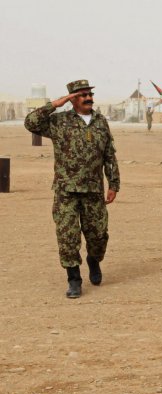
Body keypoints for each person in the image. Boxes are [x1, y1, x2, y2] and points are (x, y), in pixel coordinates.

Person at [24, 79, 120, 298]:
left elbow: (109, 155)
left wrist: (113, 183)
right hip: (66, 190)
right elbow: (31, 123)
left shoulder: (100, 121)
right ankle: (74, 279)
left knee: (98, 236)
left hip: (94, 191)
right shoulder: (59, 121)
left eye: (90, 94)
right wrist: (54, 105)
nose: (88, 98)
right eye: (83, 95)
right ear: (72, 99)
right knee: (67, 237)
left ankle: (94, 261)